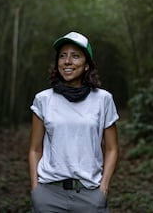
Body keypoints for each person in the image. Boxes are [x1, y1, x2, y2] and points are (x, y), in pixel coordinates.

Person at [28, 31, 119, 212]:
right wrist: (35, 188)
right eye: (62, 56)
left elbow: (112, 148)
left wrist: (104, 188)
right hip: (49, 194)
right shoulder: (43, 99)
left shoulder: (103, 99)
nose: (67, 61)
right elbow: (35, 148)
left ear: (87, 65)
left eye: (75, 56)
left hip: (90, 195)